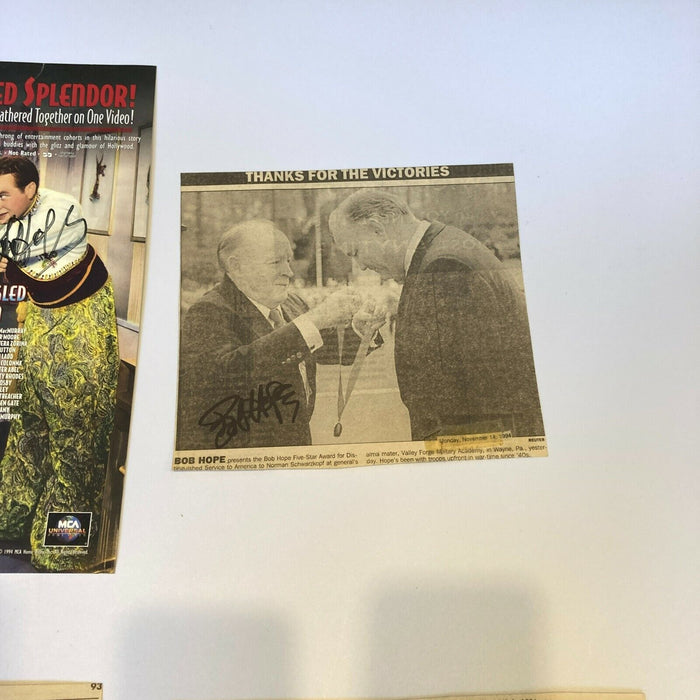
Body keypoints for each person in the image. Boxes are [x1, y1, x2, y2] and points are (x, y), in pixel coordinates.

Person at [329, 189, 544, 441]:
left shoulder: (443, 267)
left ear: (378, 229)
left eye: (355, 252)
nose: (361, 266)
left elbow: (464, 401)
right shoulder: (441, 251)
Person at [0, 156, 119, 572]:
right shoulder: (13, 219)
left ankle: (61, 548)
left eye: (3, 194)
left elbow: (46, 275)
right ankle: (10, 521)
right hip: (40, 330)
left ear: (30, 190)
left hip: (81, 332)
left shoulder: (61, 209)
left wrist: (11, 263)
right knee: (28, 433)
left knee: (78, 449)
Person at [177, 219, 382, 450]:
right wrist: (315, 319)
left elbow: (320, 348)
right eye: (276, 262)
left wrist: (362, 330)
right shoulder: (209, 310)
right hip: (244, 452)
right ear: (237, 266)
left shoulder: (292, 303)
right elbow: (230, 373)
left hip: (295, 443)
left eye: (288, 261)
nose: (289, 272)